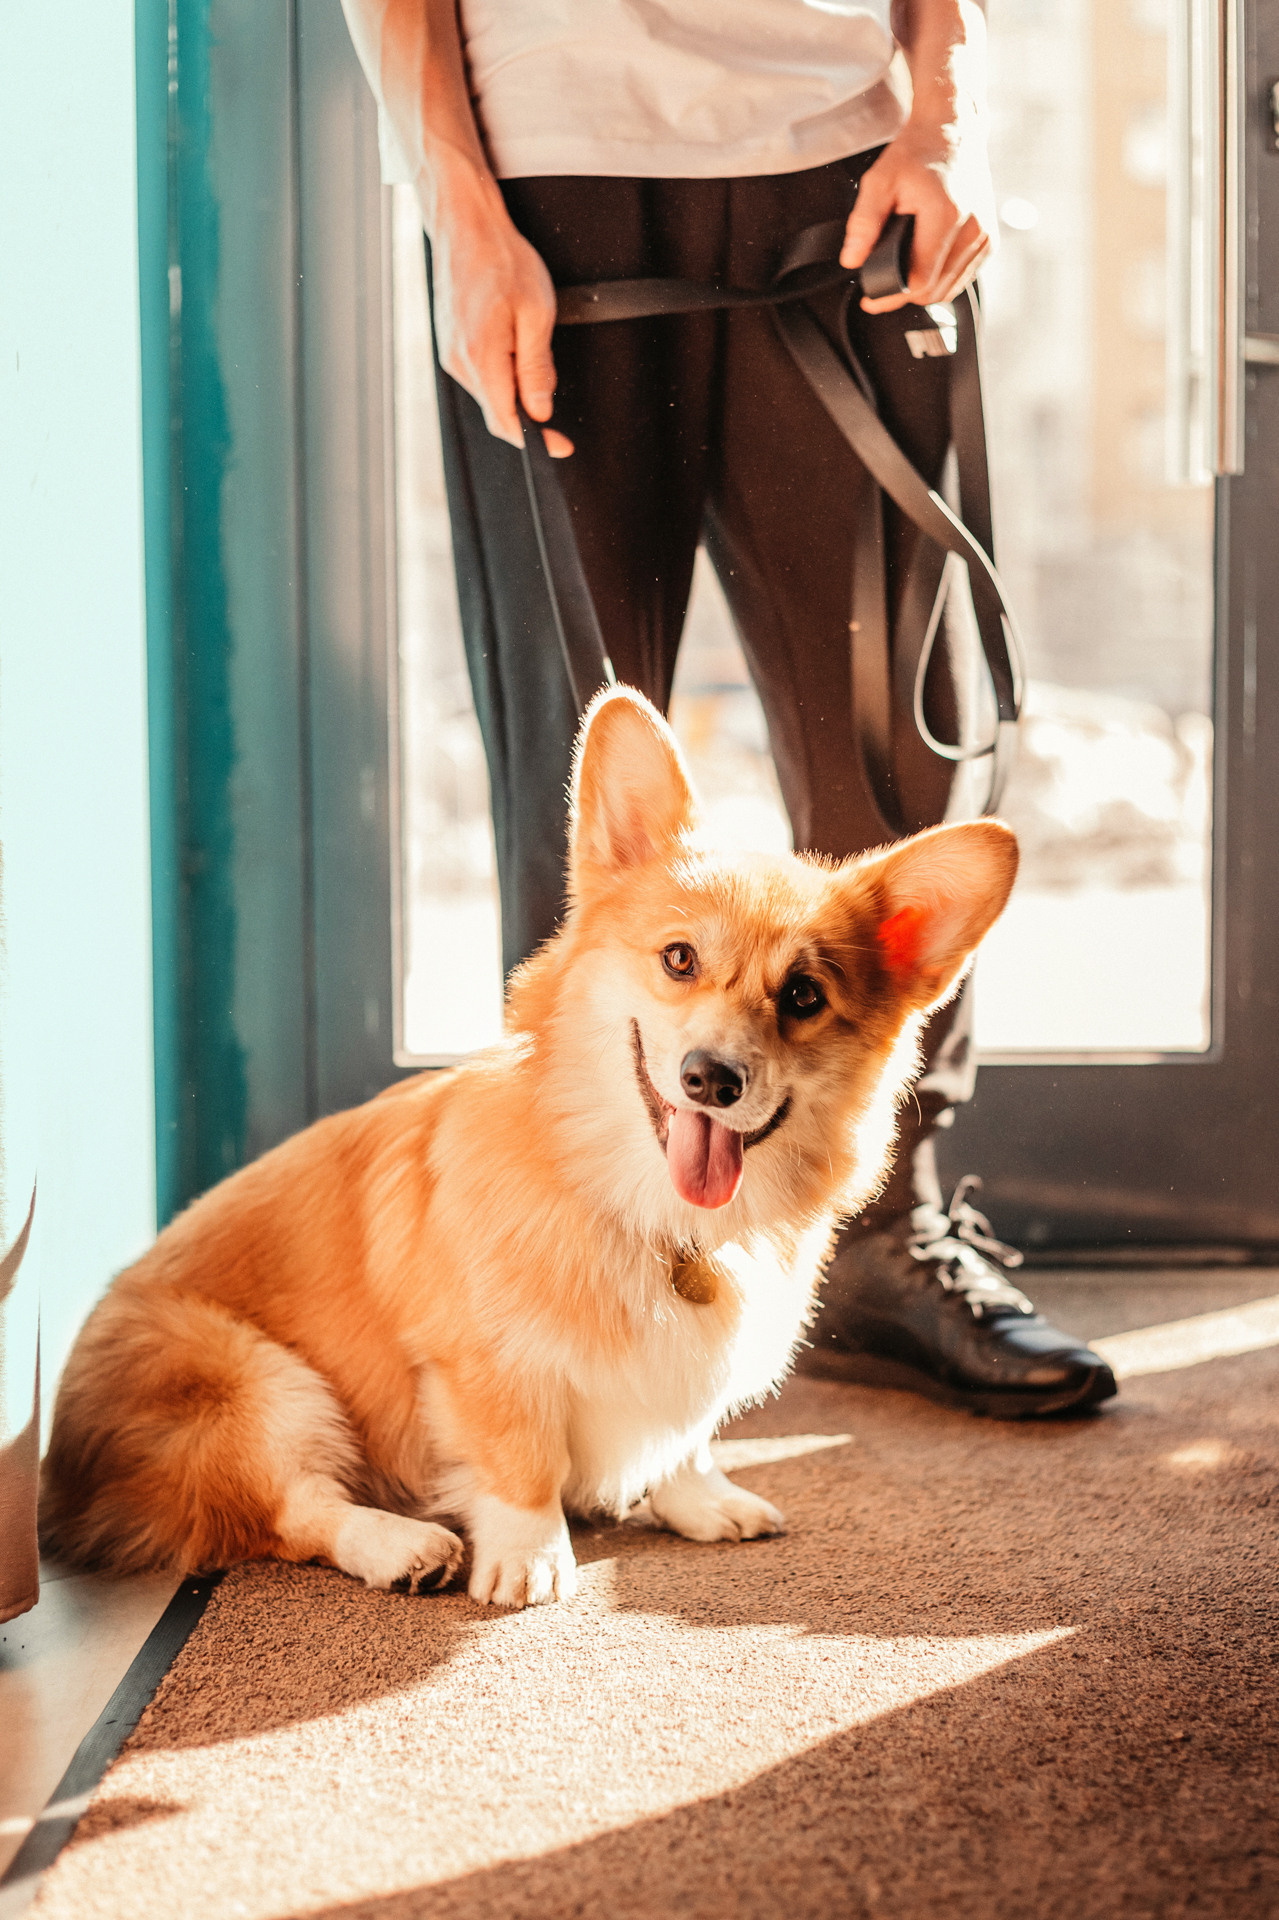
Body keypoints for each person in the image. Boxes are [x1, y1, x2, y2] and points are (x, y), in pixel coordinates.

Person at [340, 0, 1116, 1418]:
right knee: (588, 799)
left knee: (895, 772)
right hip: (545, 170)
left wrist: (947, 111)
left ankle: (884, 1236)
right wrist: (457, 205)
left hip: (847, 174)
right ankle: (567, 1285)